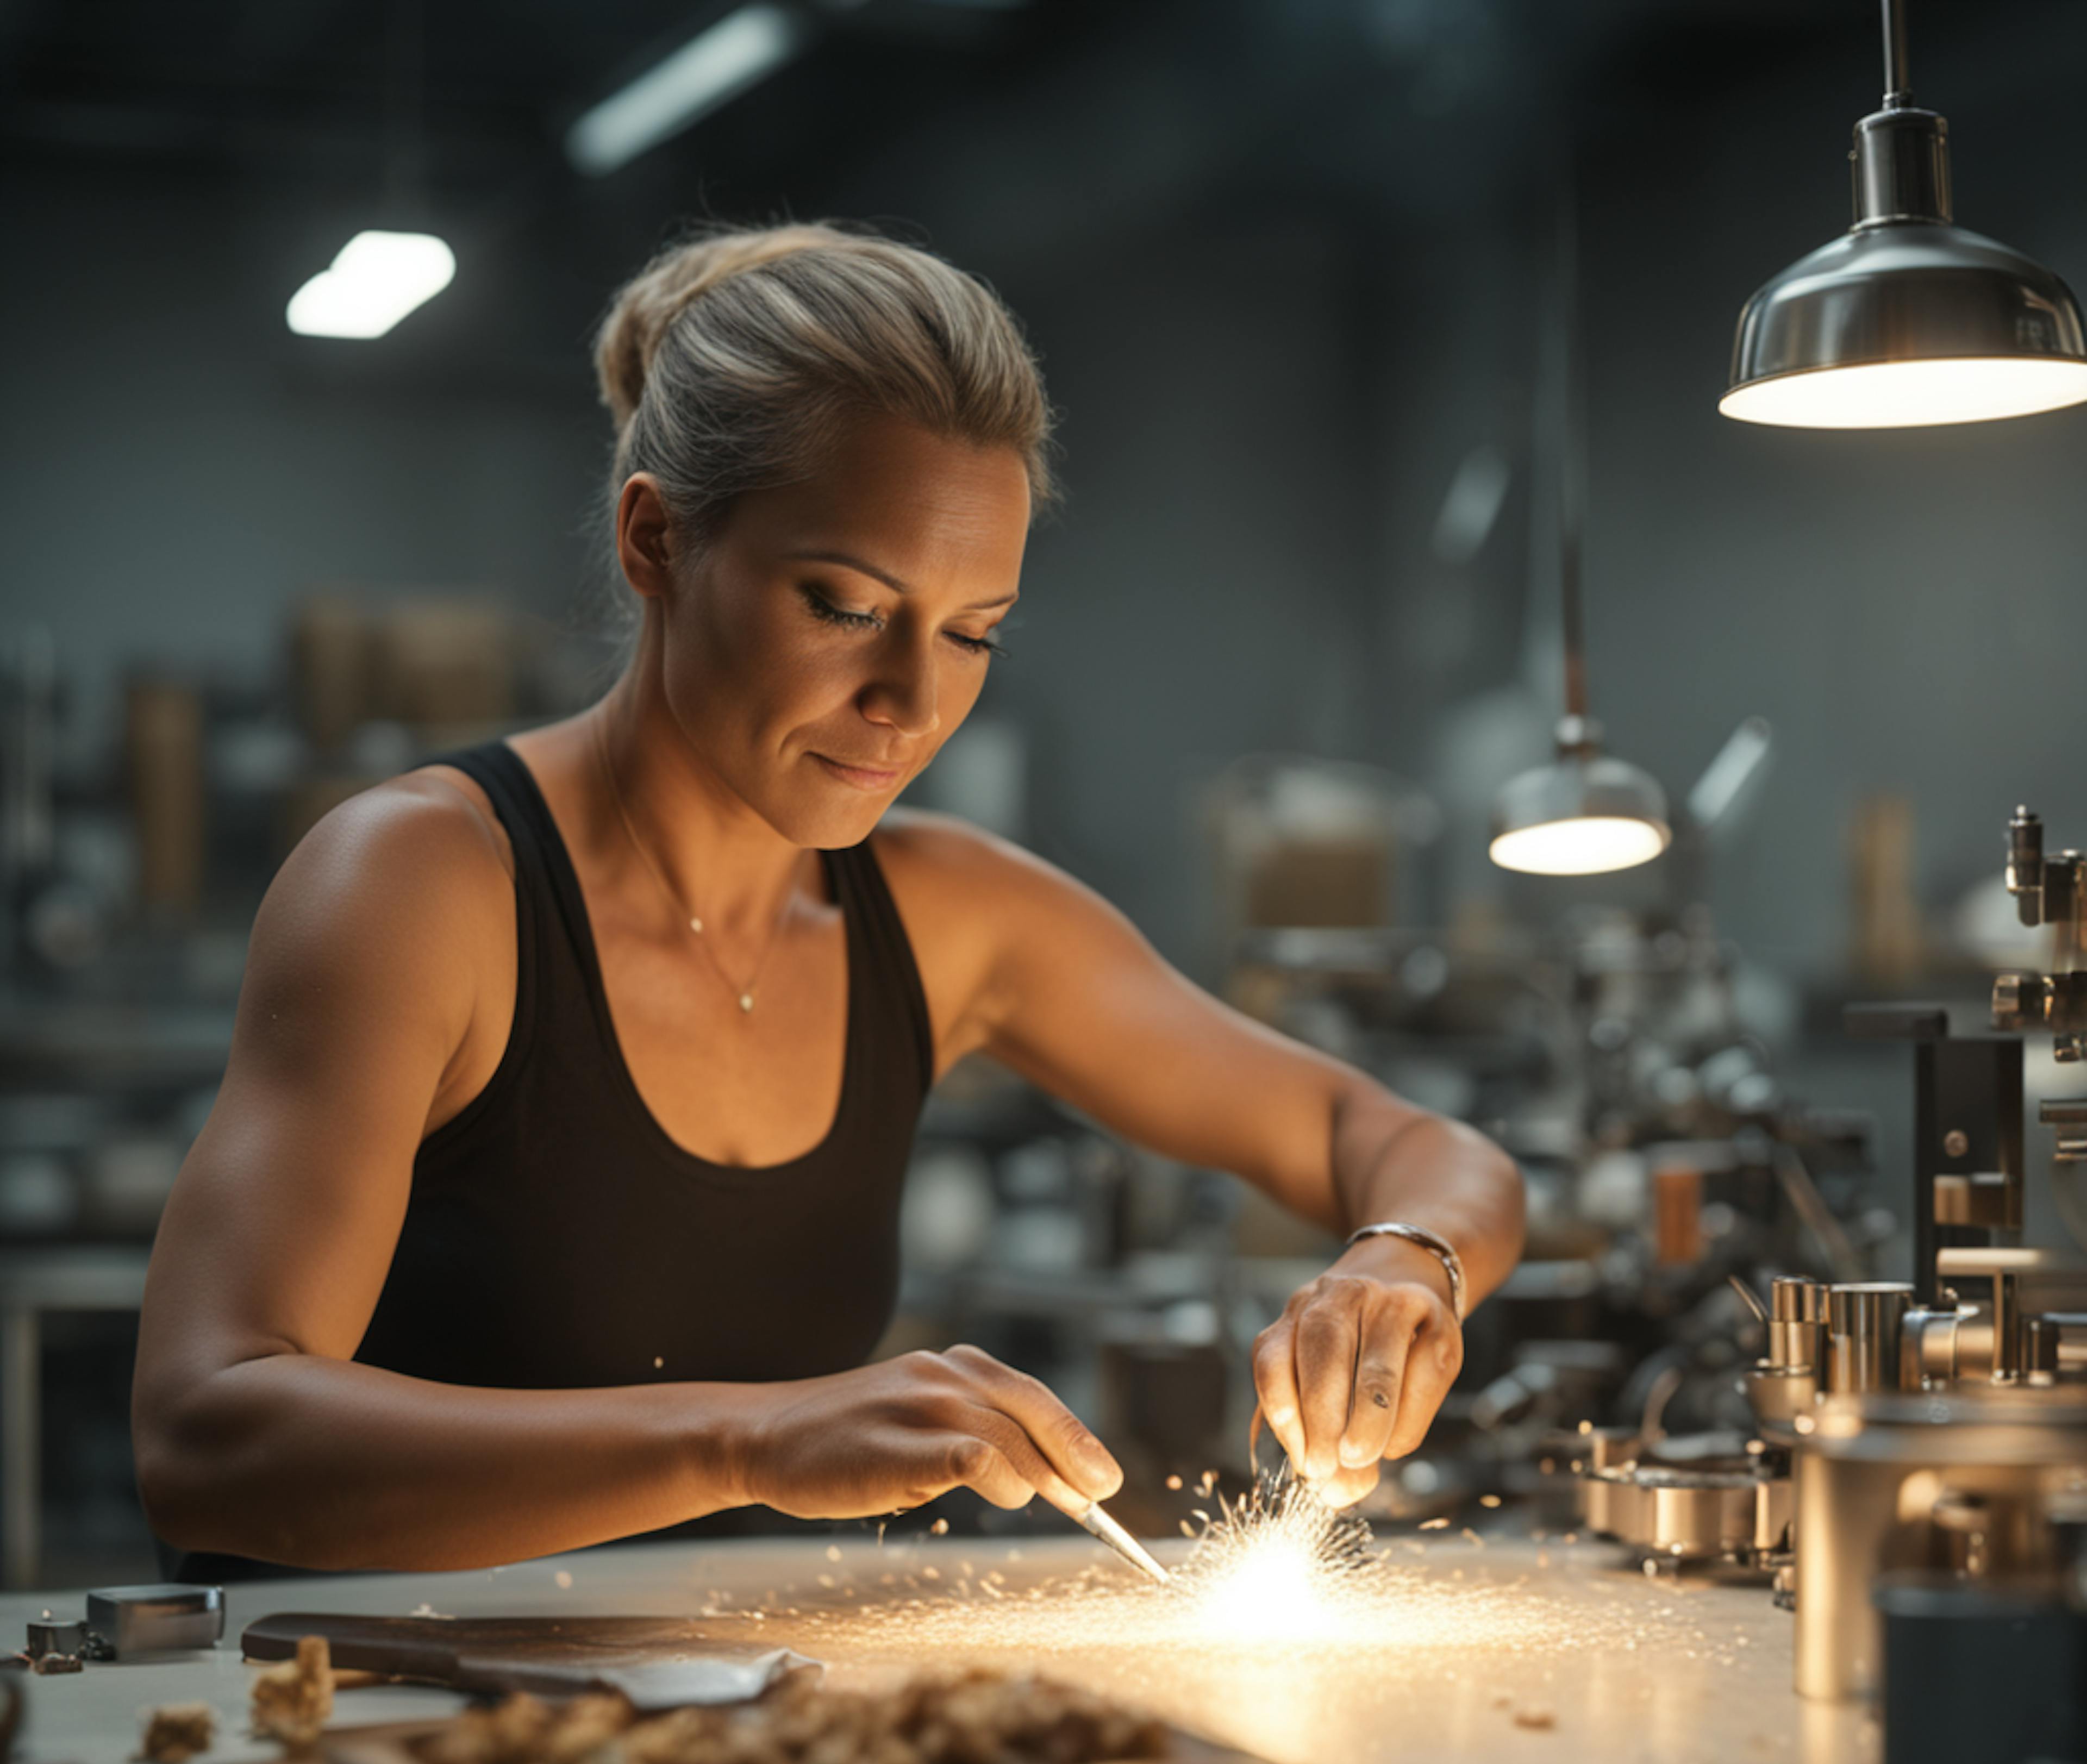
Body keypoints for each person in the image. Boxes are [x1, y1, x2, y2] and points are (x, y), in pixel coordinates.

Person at [133, 222, 1524, 1575]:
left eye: (972, 633)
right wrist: (747, 1437)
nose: (916, 705)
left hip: (732, 1737)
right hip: (366, 1730)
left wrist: (1404, 1266)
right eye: (847, 607)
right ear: (655, 541)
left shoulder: (946, 917)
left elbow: (1400, 1142)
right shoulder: (427, 884)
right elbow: (209, 1434)